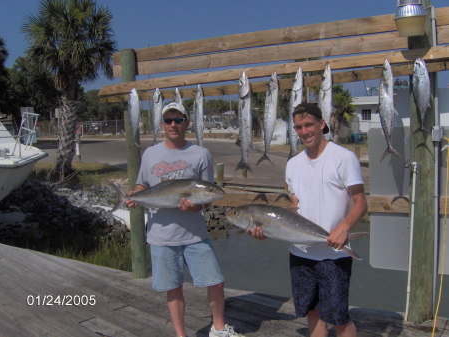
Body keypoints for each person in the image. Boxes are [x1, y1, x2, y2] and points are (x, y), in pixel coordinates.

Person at [126, 102, 244, 337]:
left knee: (215, 281)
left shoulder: (201, 154)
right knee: (173, 288)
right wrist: (134, 196)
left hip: (194, 234)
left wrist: (196, 205)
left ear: (187, 123)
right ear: (162, 124)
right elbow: (143, 184)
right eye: (168, 120)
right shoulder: (150, 154)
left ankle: (218, 329)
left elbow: (208, 195)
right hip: (161, 235)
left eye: (178, 120)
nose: (173, 125)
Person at [250, 103, 367, 337]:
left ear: (321, 124)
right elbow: (296, 208)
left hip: (334, 254)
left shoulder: (343, 158)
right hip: (300, 254)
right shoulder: (293, 164)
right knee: (311, 313)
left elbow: (361, 202)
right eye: (298, 127)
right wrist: (267, 230)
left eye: (309, 125)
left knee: (338, 318)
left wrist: (344, 227)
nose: (304, 131)